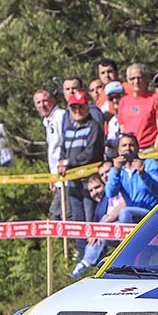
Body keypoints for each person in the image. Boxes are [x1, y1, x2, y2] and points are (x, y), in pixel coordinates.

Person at [58, 90, 106, 257]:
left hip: (90, 182)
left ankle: (96, 257)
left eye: (80, 106)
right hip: (73, 183)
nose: (77, 110)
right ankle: (82, 258)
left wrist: (69, 163)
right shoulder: (69, 129)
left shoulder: (94, 127)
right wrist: (61, 162)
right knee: (77, 221)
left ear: (87, 107)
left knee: (91, 219)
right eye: (73, 107)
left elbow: (91, 153)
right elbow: (63, 151)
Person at [105, 133, 158, 225]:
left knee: (125, 212)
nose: (127, 148)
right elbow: (110, 193)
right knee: (103, 225)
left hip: (151, 213)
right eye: (124, 145)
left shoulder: (150, 164)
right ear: (118, 150)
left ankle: (130, 239)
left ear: (137, 148)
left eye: (131, 145)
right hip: (130, 216)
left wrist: (143, 174)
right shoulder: (116, 170)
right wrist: (116, 171)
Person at [34, 88, 66, 220]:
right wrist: (52, 176)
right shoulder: (48, 121)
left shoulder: (60, 116)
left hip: (66, 174)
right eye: (38, 103)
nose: (42, 105)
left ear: (52, 100)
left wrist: (63, 162)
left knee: (57, 213)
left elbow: (65, 142)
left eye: (45, 101)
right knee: (60, 213)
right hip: (57, 176)